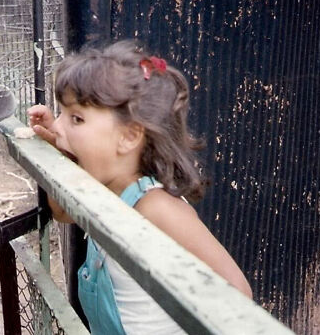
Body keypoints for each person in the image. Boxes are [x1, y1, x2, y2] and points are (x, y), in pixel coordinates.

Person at [27, 40, 253, 335]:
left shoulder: (156, 208)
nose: (57, 127)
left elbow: (238, 293)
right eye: (61, 114)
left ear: (129, 137)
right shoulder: (102, 188)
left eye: (76, 118)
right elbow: (62, 213)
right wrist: (54, 152)